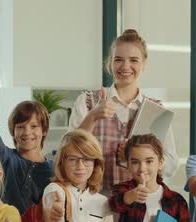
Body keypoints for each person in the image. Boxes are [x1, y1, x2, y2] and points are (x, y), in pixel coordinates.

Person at [69, 29, 178, 194]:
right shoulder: (88, 101)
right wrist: (93, 116)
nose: (126, 66)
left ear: (144, 63)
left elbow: (170, 165)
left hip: (139, 209)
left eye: (134, 60)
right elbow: (68, 152)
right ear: (109, 63)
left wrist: (135, 159)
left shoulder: (156, 111)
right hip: (94, 206)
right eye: (118, 60)